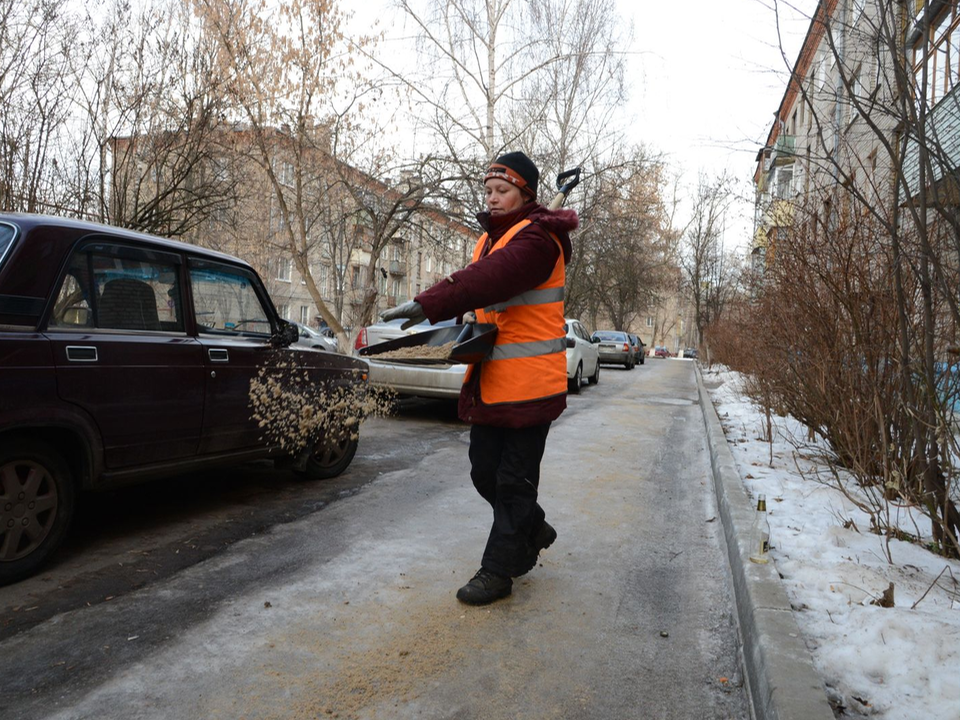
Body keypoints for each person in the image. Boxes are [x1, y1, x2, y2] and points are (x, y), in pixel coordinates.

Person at [381, 151, 578, 605]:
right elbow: (485, 292)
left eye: (502, 191)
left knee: (513, 483)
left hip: (531, 385)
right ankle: (534, 526)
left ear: (525, 193)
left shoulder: (539, 240)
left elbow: (491, 279)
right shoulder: (493, 239)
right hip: (492, 382)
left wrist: (431, 301)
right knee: (483, 473)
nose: (491, 198)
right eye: (488, 190)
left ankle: (499, 570)